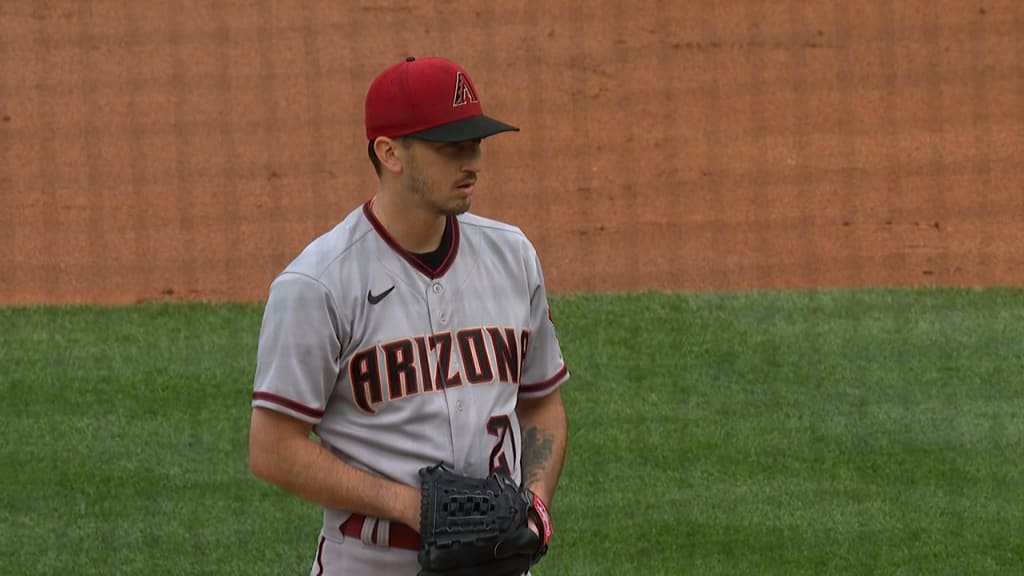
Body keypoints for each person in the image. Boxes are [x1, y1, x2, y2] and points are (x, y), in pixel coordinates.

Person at [247, 56, 571, 575]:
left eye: (477, 143)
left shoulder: (513, 257)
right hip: (370, 561)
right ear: (390, 153)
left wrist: (535, 501)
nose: (473, 162)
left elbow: (541, 405)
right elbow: (272, 449)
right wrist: (411, 507)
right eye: (452, 147)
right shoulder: (318, 284)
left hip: (498, 562)